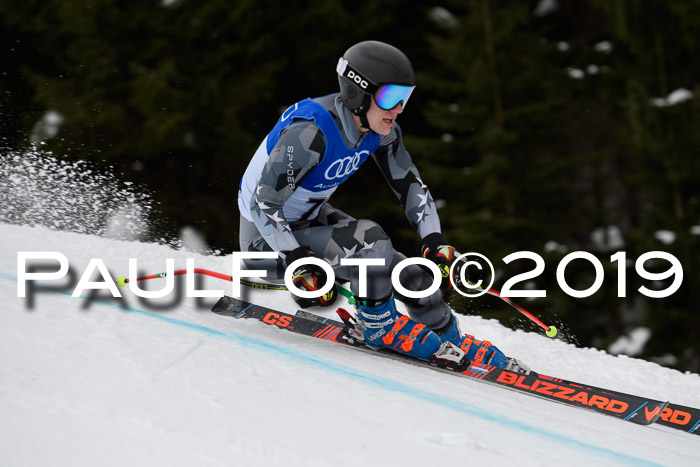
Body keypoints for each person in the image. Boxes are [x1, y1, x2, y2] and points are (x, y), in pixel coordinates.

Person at [238, 40, 526, 372]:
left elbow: (411, 187)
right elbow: (263, 204)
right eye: (391, 97)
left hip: (306, 224)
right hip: (265, 248)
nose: (399, 108)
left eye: (406, 98)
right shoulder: (309, 133)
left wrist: (435, 242)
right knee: (370, 240)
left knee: (409, 272)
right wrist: (296, 260)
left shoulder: (379, 129)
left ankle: (446, 335)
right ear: (357, 93)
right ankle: (378, 326)